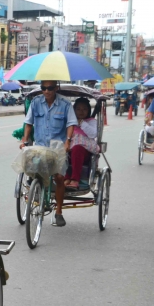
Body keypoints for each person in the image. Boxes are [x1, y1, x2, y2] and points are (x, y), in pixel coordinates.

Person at [19, 80, 78, 227]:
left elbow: (71, 124)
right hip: (40, 146)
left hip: (58, 147)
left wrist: (68, 141)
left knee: (58, 177)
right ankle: (37, 191)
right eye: (43, 88)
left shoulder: (65, 104)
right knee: (33, 171)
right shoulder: (36, 102)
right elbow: (28, 123)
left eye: (50, 88)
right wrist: (25, 139)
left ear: (56, 88)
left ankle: (58, 212)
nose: (46, 91)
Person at [64, 98, 99, 190]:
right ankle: (66, 177)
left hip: (85, 150)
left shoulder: (92, 121)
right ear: (74, 110)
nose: (81, 112)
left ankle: (75, 179)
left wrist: (82, 123)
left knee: (77, 148)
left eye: (84, 109)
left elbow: (93, 134)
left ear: (88, 110)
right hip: (70, 149)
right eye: (78, 109)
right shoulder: (70, 122)